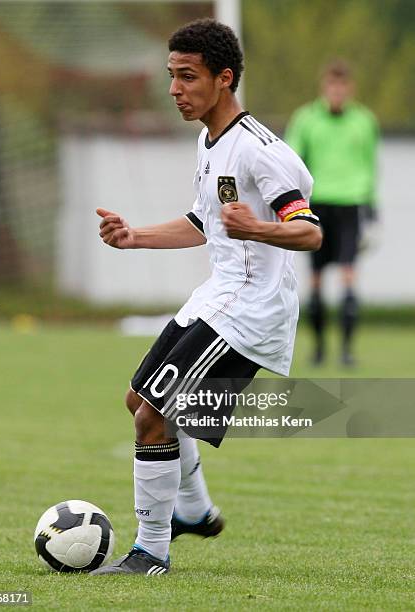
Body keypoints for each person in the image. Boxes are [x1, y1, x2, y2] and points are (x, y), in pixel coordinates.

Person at [90, 18, 321, 577]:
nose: (175, 89)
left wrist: (258, 230)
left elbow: (309, 230)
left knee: (152, 417)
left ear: (225, 78)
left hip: (250, 312)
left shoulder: (262, 152)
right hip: (217, 297)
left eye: (187, 77)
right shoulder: (209, 140)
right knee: (137, 403)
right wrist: (135, 235)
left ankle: (150, 552)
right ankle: (193, 512)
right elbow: (204, 221)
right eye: (171, 76)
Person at [285, 60, 379, 366]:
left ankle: (347, 351)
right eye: (332, 86)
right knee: (315, 279)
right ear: (324, 88)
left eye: (342, 87)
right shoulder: (307, 119)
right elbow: (293, 162)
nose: (337, 92)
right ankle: (319, 348)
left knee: (349, 275)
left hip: (350, 204)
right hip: (319, 204)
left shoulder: (364, 121)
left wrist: (371, 207)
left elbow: (370, 165)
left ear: (349, 89)